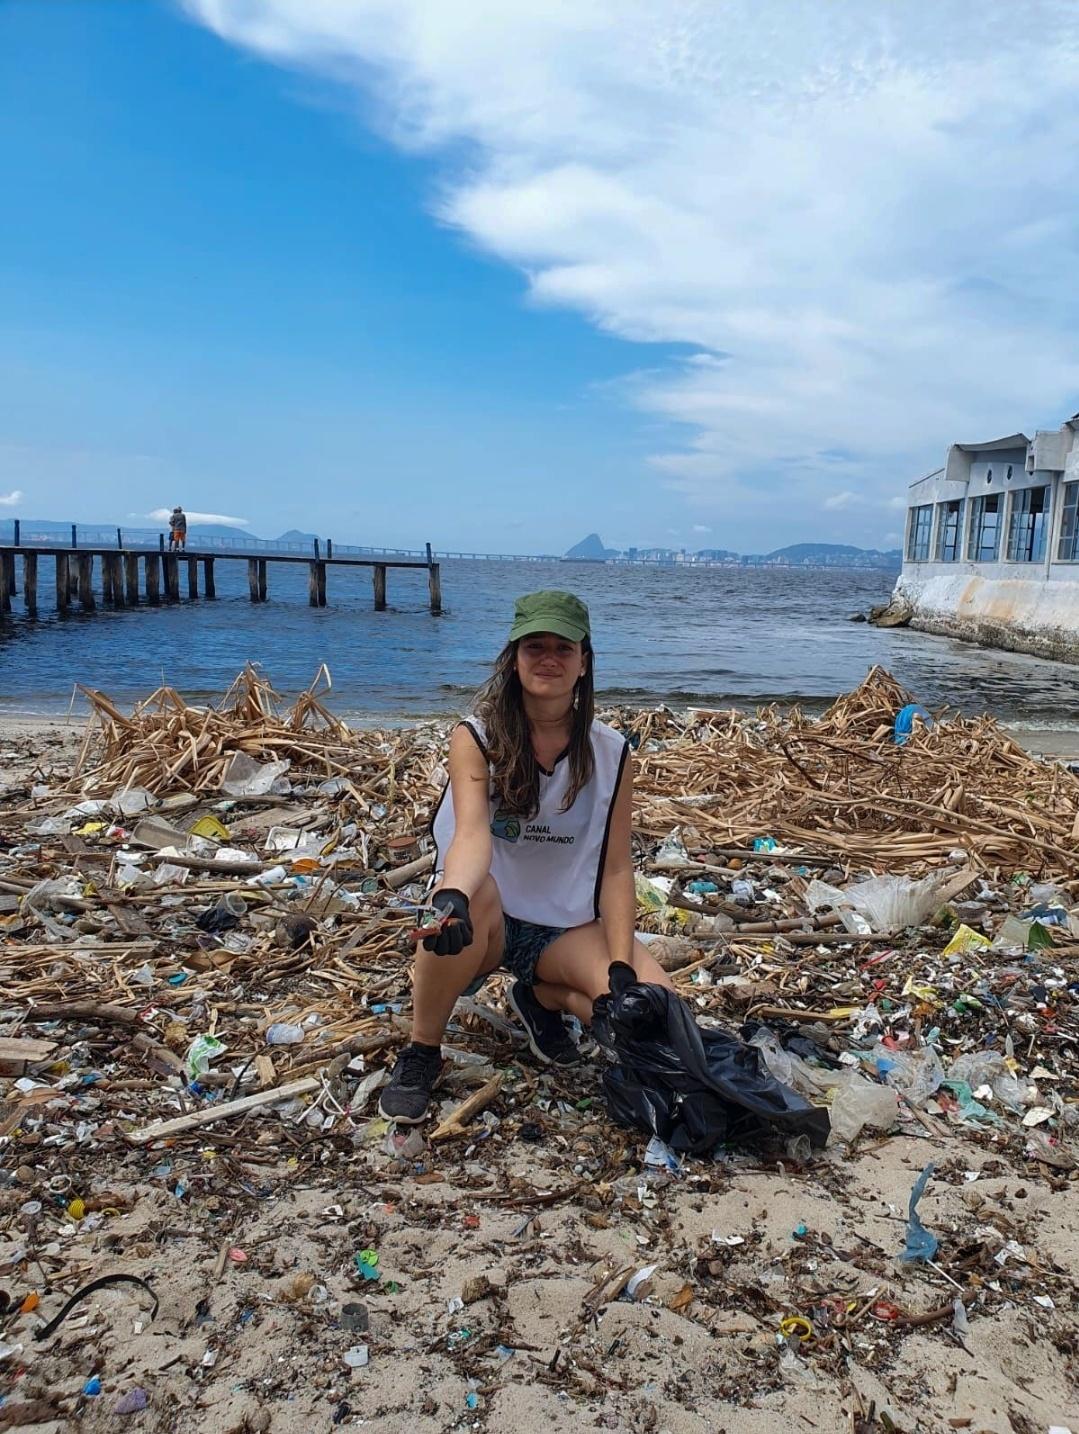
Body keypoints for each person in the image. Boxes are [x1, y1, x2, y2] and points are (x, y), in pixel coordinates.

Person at [379, 589, 675, 1123]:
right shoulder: (477, 737)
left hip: (561, 927)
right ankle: (422, 1050)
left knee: (655, 1012)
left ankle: (542, 999)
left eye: (563, 647)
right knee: (451, 907)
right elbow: (472, 836)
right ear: (513, 658)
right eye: (534, 645)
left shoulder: (612, 752)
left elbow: (614, 867)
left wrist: (620, 968)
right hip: (485, 921)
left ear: (584, 662)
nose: (549, 659)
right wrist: (453, 896)